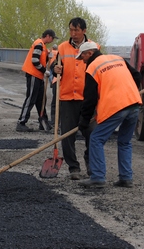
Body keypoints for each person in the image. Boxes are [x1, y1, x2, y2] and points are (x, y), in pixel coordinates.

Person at [76, 41, 142, 188]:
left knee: (96, 139)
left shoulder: (92, 68)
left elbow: (90, 99)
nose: (83, 60)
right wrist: (130, 91)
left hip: (116, 107)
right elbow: (137, 76)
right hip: (134, 104)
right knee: (124, 142)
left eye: (83, 57)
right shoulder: (117, 59)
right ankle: (126, 178)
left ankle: (98, 177)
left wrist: (84, 121)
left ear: (90, 53)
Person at [52, 17, 99, 180]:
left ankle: (91, 165)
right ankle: (74, 168)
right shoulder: (62, 48)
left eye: (76, 30)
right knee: (66, 135)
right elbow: (54, 66)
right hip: (67, 96)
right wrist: (55, 69)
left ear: (84, 31)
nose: (73, 33)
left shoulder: (94, 47)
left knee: (91, 134)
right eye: (71, 30)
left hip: (87, 98)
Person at [16, 29, 57, 132]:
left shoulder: (42, 46)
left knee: (41, 99)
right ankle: (21, 122)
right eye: (52, 38)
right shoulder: (39, 44)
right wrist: (45, 71)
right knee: (31, 98)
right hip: (33, 74)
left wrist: (48, 56)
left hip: (38, 76)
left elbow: (41, 59)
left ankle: (43, 122)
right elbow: (34, 60)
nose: (52, 40)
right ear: (48, 36)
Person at [48, 44, 58, 125]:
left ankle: (54, 121)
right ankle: (55, 121)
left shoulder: (52, 52)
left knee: (55, 101)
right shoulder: (58, 53)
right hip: (57, 80)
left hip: (56, 80)